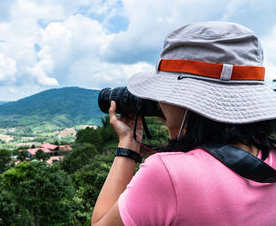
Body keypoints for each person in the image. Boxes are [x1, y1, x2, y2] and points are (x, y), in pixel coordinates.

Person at [91, 21, 276, 226]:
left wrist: (128, 144)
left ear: (186, 103)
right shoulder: (271, 159)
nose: (160, 102)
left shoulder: (168, 174)